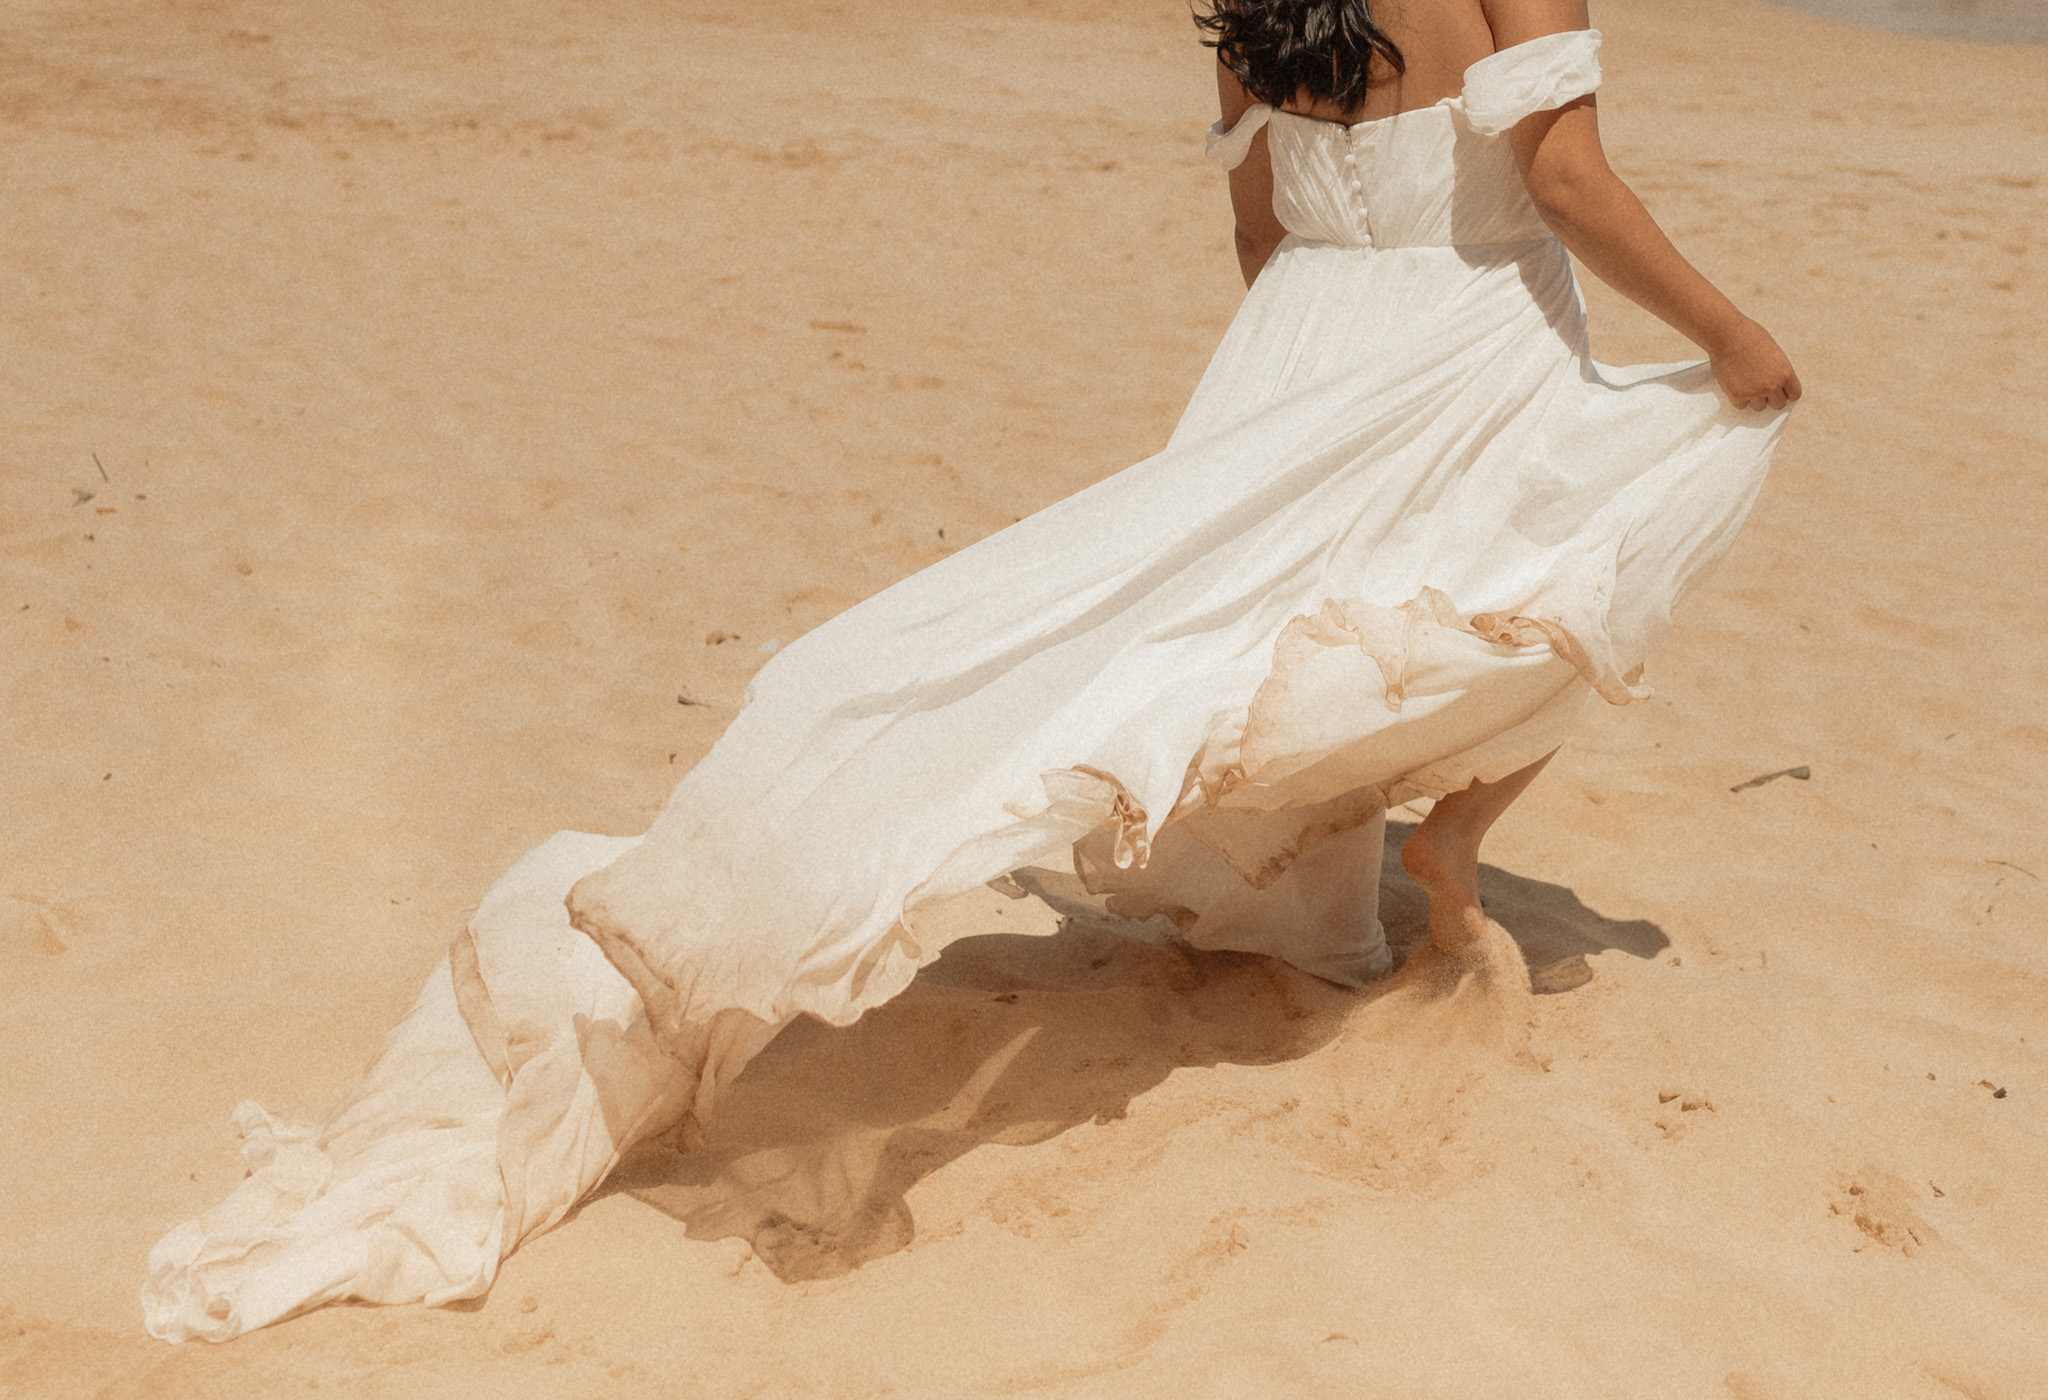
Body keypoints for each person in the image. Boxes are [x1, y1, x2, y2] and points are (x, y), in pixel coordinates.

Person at [143, 0, 1796, 1343]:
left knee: (1260, 642)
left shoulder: (1266, 3)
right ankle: (1452, 836)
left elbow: (1256, 213)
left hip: (1300, 347)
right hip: (1461, 343)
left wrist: (1291, 396)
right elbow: (1565, 184)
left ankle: (1408, 858)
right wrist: (1730, 335)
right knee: (1585, 554)